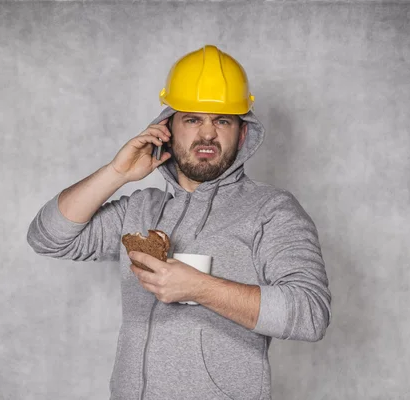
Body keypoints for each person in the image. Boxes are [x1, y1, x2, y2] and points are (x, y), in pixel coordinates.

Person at [27, 45, 331, 400]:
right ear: (167, 128)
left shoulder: (272, 211)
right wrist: (117, 173)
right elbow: (48, 237)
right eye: (192, 119)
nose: (207, 134)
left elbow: (311, 312)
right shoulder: (139, 210)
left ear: (242, 134)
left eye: (222, 121)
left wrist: (200, 288)